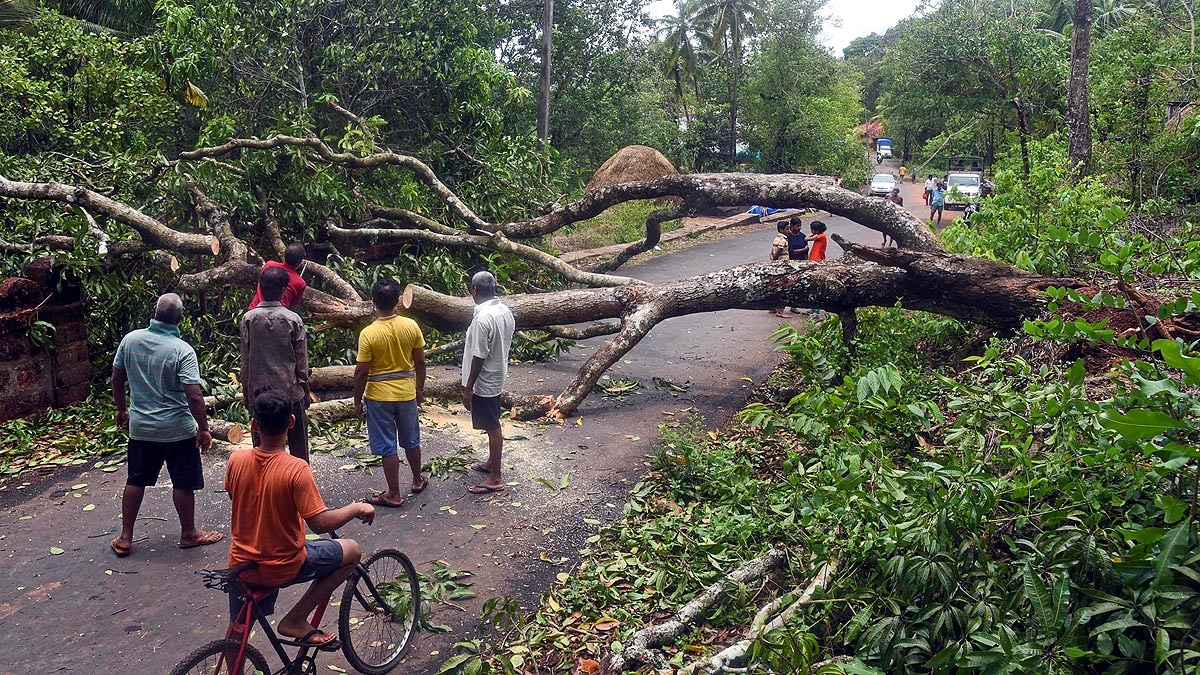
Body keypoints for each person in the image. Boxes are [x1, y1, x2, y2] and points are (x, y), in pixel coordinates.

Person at [224, 389, 375, 647]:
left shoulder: (236, 460)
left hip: (240, 564)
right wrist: (355, 508)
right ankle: (295, 619)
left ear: (254, 425)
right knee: (352, 550)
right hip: (282, 565)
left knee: (237, 630)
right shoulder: (296, 468)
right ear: (291, 422)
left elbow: (237, 497)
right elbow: (319, 523)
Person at [110, 293, 223, 557]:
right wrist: (204, 428)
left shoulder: (131, 340)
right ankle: (189, 533)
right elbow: (194, 395)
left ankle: (126, 537)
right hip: (177, 430)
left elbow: (117, 378)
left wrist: (122, 409)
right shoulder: (182, 350)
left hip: (141, 428)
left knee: (136, 479)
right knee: (182, 482)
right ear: (180, 319)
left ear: (155, 311)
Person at [353, 278, 428, 507]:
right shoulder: (411, 326)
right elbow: (421, 362)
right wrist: (419, 389)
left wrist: (357, 400)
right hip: (406, 394)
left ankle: (393, 493)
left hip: (379, 396)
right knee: (411, 440)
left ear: (373, 302)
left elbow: (361, 372)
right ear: (398, 301)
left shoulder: (368, 333)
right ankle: (417, 480)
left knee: (387, 445)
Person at [241, 265, 312, 462]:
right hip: (290, 390)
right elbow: (301, 362)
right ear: (283, 290)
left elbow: (245, 359)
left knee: (261, 443)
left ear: (260, 289)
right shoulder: (293, 319)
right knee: (298, 443)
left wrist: (245, 390)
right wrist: (305, 389)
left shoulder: (249, 318)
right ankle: (300, 478)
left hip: (259, 392)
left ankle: (263, 480)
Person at [461, 271, 517, 494]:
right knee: (490, 422)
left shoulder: (483, 318)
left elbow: (479, 355)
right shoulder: (504, 310)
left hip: (484, 380)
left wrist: (468, 388)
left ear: (475, 291)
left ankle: (496, 477)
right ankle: (491, 463)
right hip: (497, 373)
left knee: (492, 425)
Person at [248, 242, 307, 311]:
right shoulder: (300, 283)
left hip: (254, 310)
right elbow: (292, 307)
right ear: (299, 261)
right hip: (278, 317)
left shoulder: (269, 265)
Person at [767, 222, 791, 319]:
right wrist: (776, 260)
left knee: (775, 287)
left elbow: (772, 251)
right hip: (782, 266)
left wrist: (772, 261)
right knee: (783, 288)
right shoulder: (783, 240)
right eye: (787, 229)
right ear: (781, 230)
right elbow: (777, 252)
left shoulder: (776, 238)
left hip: (776, 266)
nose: (789, 231)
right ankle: (780, 311)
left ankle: (772, 307)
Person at [785, 217, 809, 313]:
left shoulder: (803, 236)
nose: (799, 228)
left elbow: (807, 250)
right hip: (792, 263)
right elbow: (791, 251)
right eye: (797, 226)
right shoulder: (788, 237)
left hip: (801, 262)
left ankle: (795, 305)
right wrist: (804, 250)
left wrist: (806, 261)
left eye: (800, 226)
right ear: (792, 226)